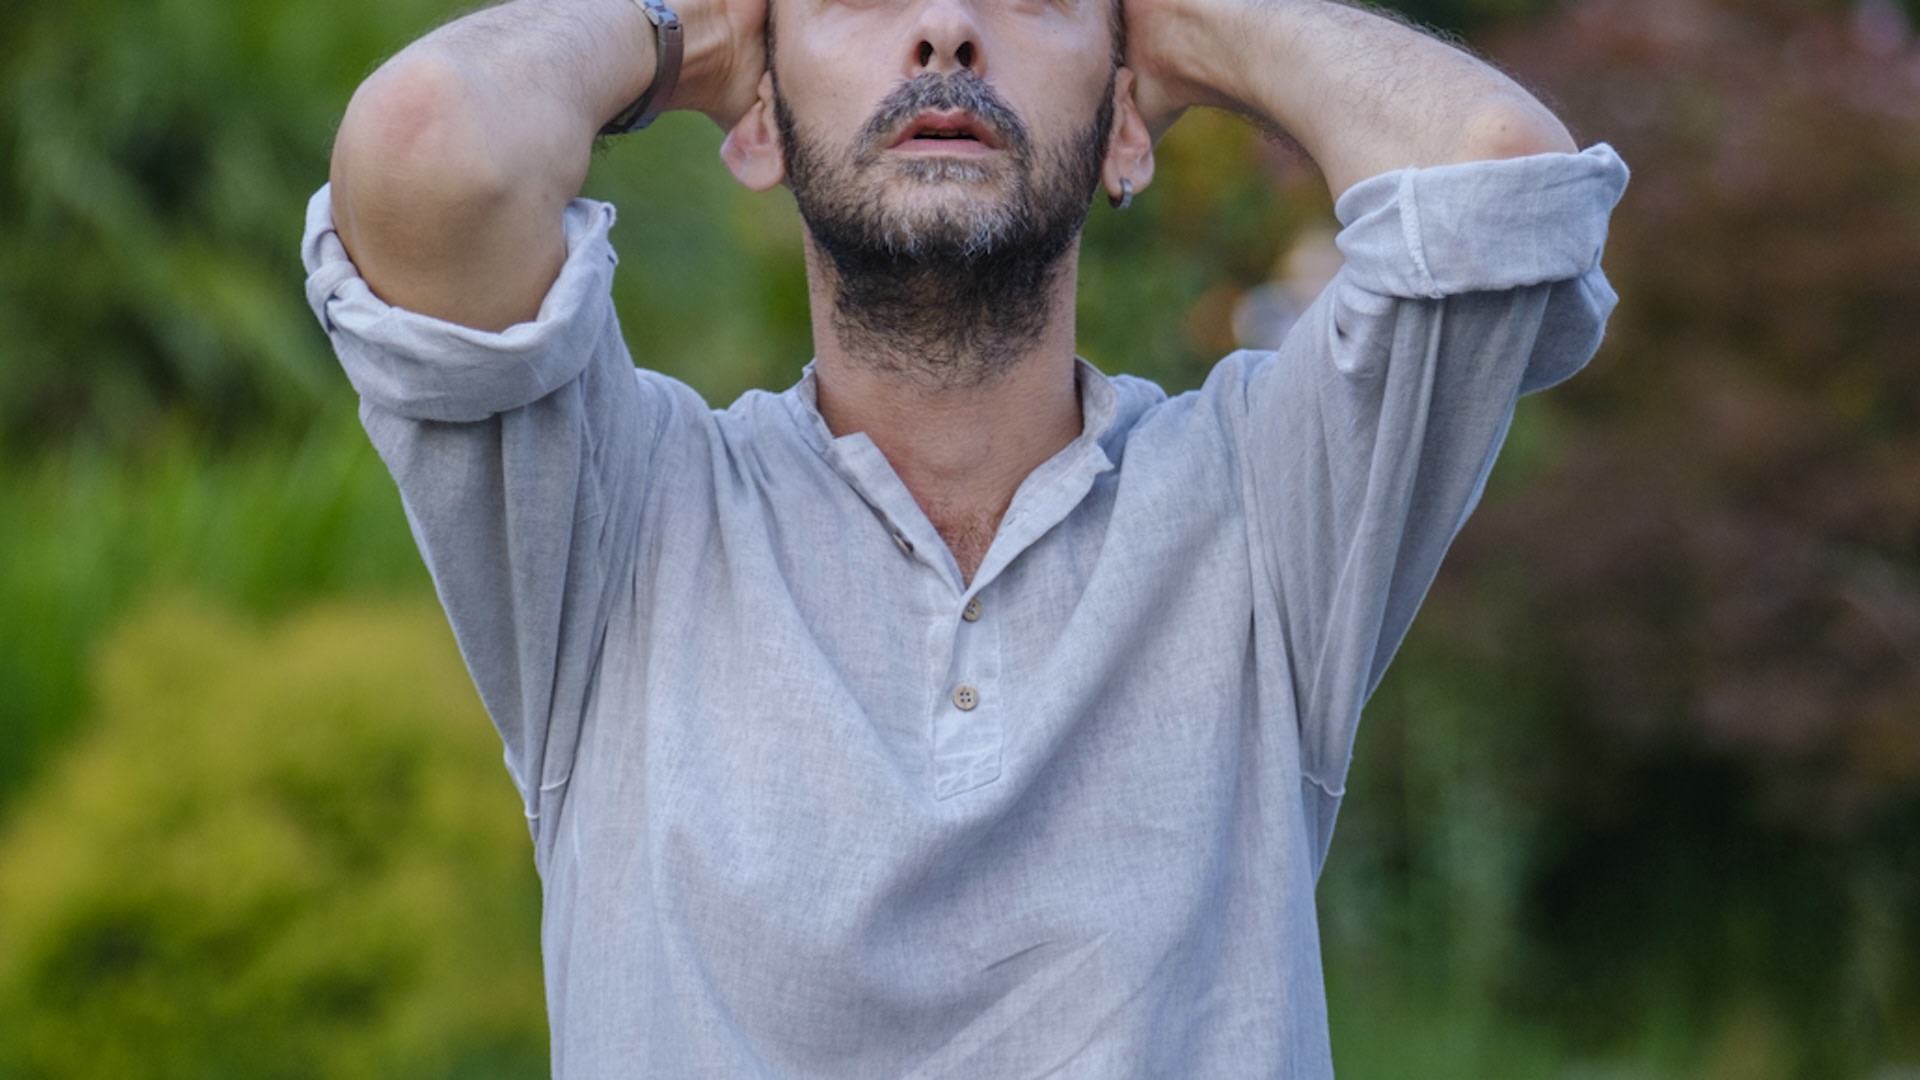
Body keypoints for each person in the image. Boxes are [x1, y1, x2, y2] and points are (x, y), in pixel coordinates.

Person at [301, 0, 1626, 1071]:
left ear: (1127, 124)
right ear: (756, 115)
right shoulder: (621, 517)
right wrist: (676, 29)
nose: (946, 28)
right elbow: (428, 147)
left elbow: (1493, 173)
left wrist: (1197, 26)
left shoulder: (1264, 514)